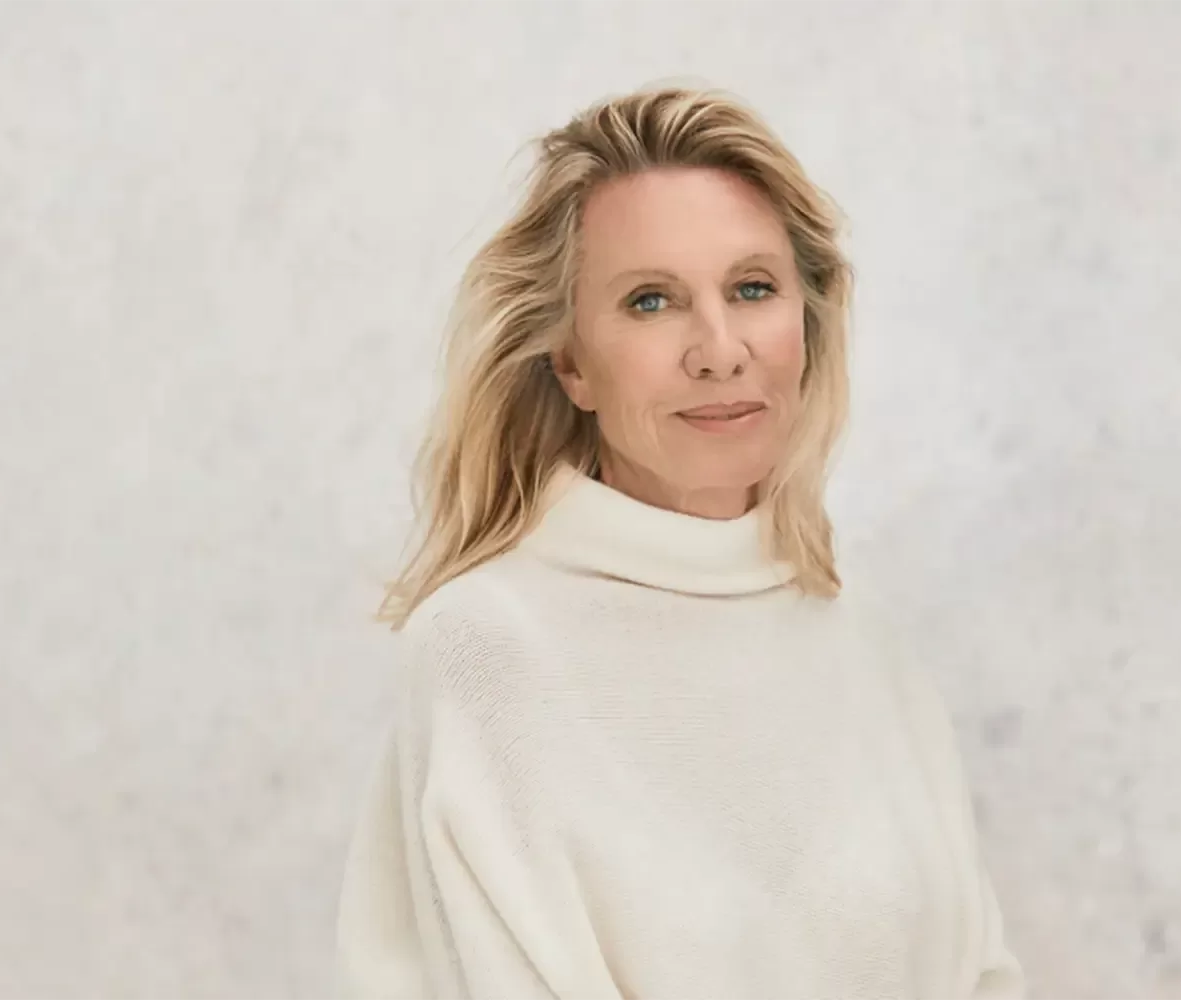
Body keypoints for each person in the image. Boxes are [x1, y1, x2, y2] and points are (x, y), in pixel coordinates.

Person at [335, 83, 1025, 1000]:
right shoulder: (489, 648)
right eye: (652, 301)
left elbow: (983, 977)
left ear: (806, 326)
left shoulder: (863, 638)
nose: (719, 348)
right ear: (571, 361)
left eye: (752, 289)